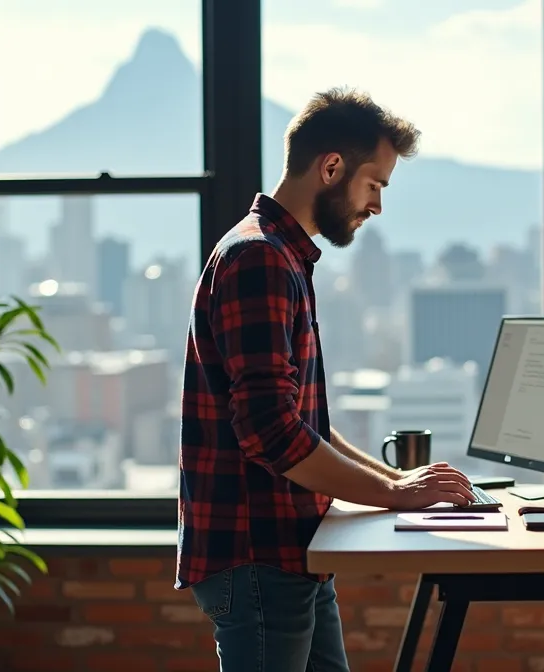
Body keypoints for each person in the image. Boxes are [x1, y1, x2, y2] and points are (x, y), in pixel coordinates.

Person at [175, 87, 477, 672]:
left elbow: (303, 423)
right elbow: (270, 431)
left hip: (290, 552)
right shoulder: (259, 258)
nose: (378, 206)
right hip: (258, 555)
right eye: (376, 185)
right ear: (332, 167)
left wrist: (398, 478)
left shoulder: (284, 256)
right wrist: (394, 495)